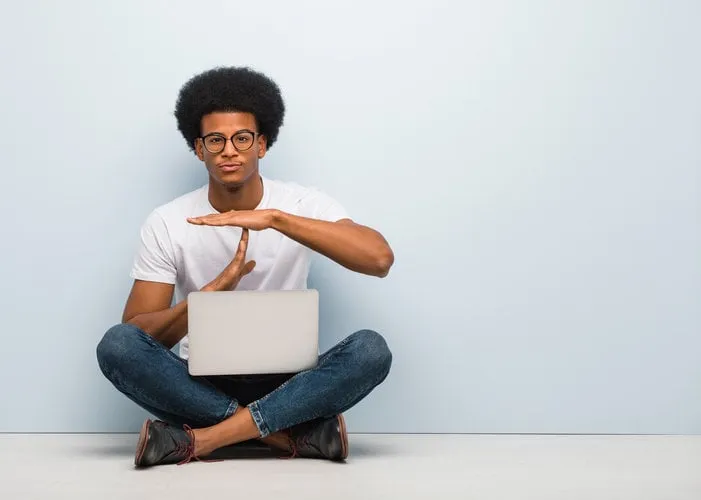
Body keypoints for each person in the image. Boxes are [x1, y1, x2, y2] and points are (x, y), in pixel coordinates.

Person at [95, 66, 394, 468]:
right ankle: (284, 435)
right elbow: (135, 338)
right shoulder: (167, 221)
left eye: (242, 138)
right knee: (115, 345)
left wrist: (275, 219)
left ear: (262, 145)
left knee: (371, 350)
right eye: (215, 140)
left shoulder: (303, 205)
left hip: (291, 381)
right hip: (201, 381)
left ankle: (203, 439)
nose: (229, 150)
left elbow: (378, 259)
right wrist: (209, 298)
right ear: (199, 149)